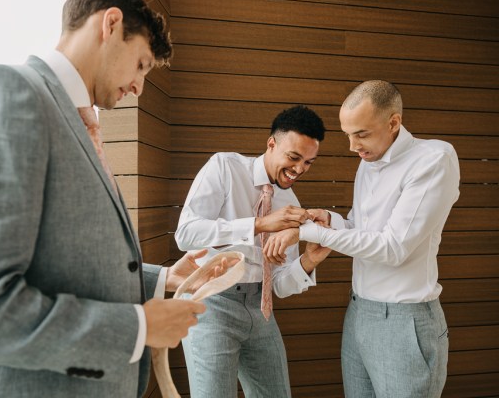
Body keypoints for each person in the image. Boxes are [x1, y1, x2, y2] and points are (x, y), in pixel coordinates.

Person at [0, 0, 212, 397]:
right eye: (141, 64)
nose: (138, 86)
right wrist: (140, 327)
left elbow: (61, 260)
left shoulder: (75, 120)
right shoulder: (5, 92)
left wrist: (164, 279)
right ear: (110, 24)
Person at [264, 80, 459, 397]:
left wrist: (305, 232)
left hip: (403, 320)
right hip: (358, 313)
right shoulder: (367, 161)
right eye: (348, 135)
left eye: (362, 134)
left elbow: (394, 247)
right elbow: (360, 227)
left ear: (393, 122)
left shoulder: (434, 159)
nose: (353, 146)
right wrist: (329, 220)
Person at [174, 105, 332, 397]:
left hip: (261, 308)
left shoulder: (290, 200)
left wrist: (310, 259)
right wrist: (259, 225)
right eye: (294, 157)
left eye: (308, 162)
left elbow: (281, 286)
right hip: (211, 302)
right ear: (271, 143)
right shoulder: (225, 167)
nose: (299, 169)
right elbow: (187, 234)